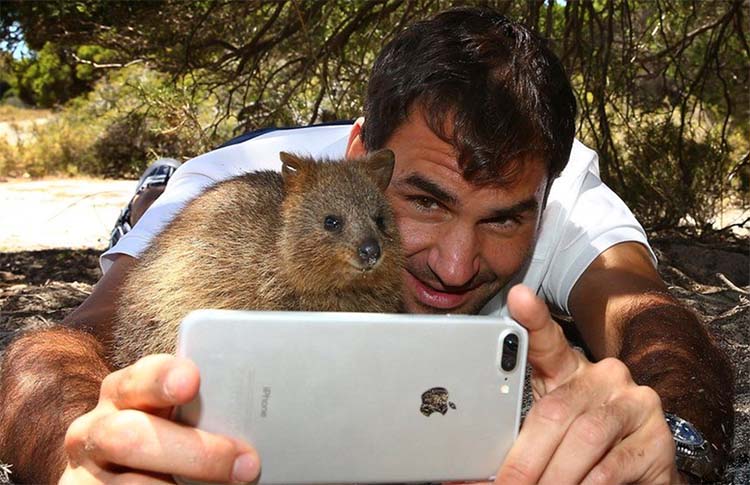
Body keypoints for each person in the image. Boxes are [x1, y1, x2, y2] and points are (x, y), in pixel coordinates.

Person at [0, 6, 733, 484]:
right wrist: (79, 445)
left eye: (504, 219)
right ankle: (148, 185)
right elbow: (63, 345)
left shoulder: (558, 193)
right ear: (363, 154)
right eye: (423, 200)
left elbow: (656, 325)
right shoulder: (235, 187)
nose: (454, 264)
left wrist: (668, 445)